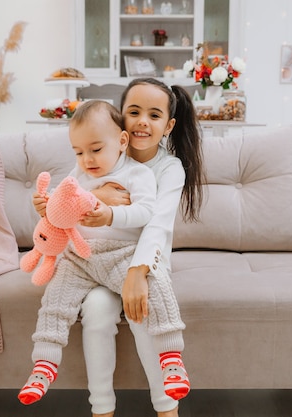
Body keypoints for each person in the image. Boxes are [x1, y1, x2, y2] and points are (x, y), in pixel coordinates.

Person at [18, 99, 191, 406]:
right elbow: (63, 203)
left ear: (121, 141)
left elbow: (146, 211)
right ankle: (44, 364)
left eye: (95, 150)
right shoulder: (79, 173)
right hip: (80, 258)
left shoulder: (138, 174)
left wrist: (110, 214)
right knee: (55, 300)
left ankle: (171, 359)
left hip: (120, 255)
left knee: (157, 291)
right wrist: (49, 206)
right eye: (79, 152)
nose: (87, 159)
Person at [80, 78, 204, 417]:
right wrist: (95, 197)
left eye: (154, 114)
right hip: (103, 265)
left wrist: (137, 273)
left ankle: (167, 410)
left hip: (146, 264)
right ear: (121, 116)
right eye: (133, 112)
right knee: (95, 310)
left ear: (168, 125)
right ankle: (101, 410)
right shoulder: (101, 155)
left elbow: (158, 225)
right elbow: (69, 199)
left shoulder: (169, 167)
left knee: (141, 313)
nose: (142, 122)